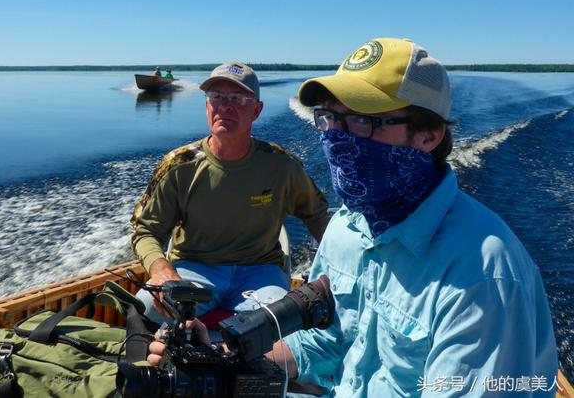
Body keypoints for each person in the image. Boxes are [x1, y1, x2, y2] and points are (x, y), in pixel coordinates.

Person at [148, 39, 558, 396]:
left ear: (429, 135)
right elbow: (323, 346)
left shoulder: (482, 277)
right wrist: (222, 360)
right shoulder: (346, 228)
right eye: (330, 119)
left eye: (363, 120)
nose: (337, 139)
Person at [131, 61, 330, 324]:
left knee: (276, 322)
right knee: (146, 307)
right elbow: (146, 230)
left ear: (256, 111)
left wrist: (340, 265)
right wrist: (161, 268)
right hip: (195, 270)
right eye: (216, 97)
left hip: (260, 273)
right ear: (207, 106)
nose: (225, 105)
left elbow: (317, 216)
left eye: (237, 98)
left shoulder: (281, 166)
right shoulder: (179, 166)